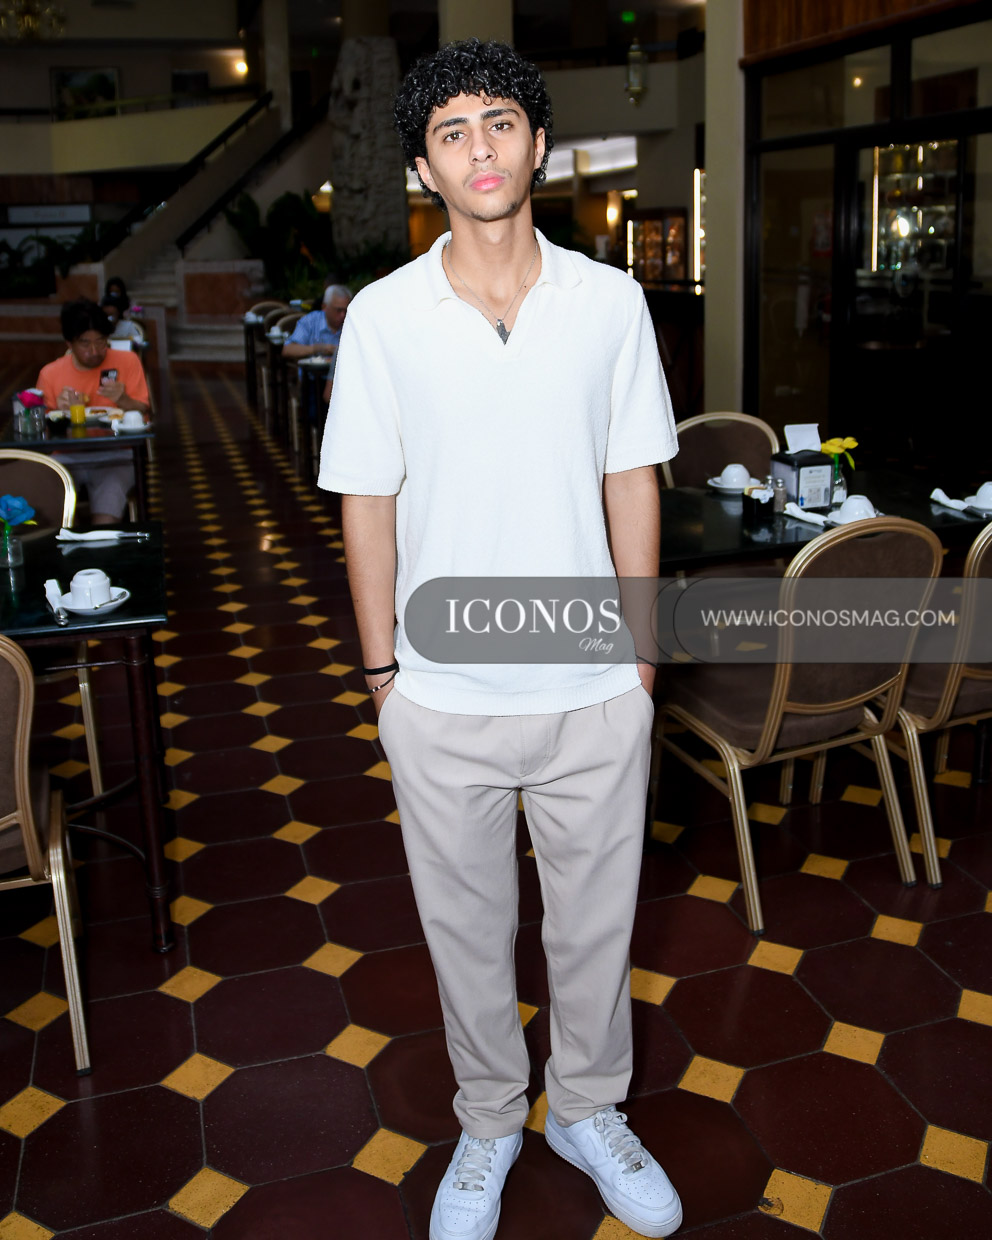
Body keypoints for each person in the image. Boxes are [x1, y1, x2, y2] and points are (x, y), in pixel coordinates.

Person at [319, 39, 681, 1240]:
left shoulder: (608, 301)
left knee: (595, 928)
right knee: (466, 935)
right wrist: (382, 676)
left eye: (499, 122)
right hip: (440, 695)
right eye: (450, 132)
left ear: (537, 144)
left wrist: (638, 661)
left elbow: (631, 479)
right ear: (424, 168)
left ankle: (585, 1108)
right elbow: (365, 501)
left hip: (593, 688)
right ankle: (487, 1120)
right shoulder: (384, 318)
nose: (478, 147)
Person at [36, 299, 150, 523]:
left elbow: (143, 409)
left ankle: (102, 540)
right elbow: (41, 430)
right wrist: (57, 413)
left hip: (117, 455)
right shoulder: (50, 374)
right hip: (66, 458)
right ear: (69, 343)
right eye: (85, 344)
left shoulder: (127, 361)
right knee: (50, 509)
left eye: (101, 342)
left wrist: (123, 399)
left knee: (106, 515)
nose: (95, 351)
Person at [281, 284, 352, 362]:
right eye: (338, 310)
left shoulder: (351, 323)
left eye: (346, 311)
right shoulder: (310, 321)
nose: (343, 315)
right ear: (324, 307)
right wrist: (317, 349)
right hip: (312, 369)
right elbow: (288, 350)